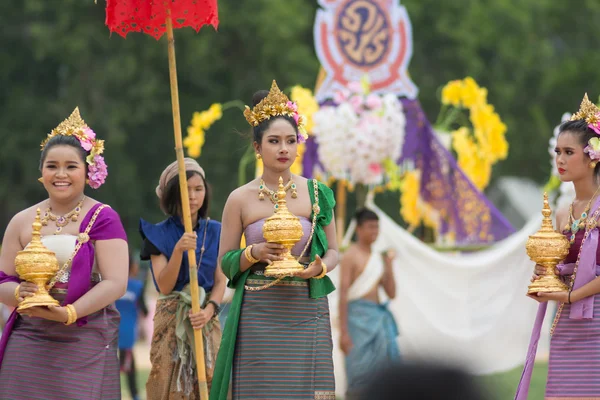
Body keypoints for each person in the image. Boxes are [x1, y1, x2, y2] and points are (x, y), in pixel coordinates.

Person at [210, 80, 339, 400]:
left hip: (306, 311)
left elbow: (335, 251)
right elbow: (225, 262)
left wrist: (320, 267)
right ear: (257, 147)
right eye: (274, 141)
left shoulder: (317, 194)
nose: (284, 148)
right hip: (258, 313)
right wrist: (253, 252)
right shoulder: (240, 199)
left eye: (290, 141)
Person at [0, 108, 129, 399]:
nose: (60, 174)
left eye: (71, 166)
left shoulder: (103, 218)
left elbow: (115, 283)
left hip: (85, 335)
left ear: (88, 171)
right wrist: (21, 292)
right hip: (29, 335)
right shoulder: (22, 221)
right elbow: (2, 279)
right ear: (41, 172)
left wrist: (68, 313)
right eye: (52, 166)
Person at [516, 94, 600, 399]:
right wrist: (546, 272)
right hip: (567, 321)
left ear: (593, 157)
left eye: (568, 152)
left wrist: (569, 294)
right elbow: (566, 268)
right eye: (557, 152)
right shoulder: (564, 211)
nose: (560, 160)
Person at [140, 158, 225, 399]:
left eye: (198, 189)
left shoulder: (216, 231)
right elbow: (164, 285)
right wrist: (178, 250)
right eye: (186, 190)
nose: (193, 196)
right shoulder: (156, 235)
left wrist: (209, 310)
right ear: (171, 194)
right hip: (170, 322)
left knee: (211, 385)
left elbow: (220, 281)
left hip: (206, 321)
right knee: (171, 385)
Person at [339, 207, 400, 399]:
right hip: (356, 322)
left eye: (377, 227)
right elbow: (342, 294)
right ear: (359, 228)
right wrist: (343, 332)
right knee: (358, 371)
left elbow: (391, 293)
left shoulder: (378, 258)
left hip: (378, 319)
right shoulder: (350, 255)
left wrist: (389, 266)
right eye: (370, 227)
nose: (375, 231)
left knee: (385, 374)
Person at [115, 254, 146, 400]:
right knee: (129, 366)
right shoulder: (137, 286)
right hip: (128, 333)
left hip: (111, 332)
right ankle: (134, 395)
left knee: (109, 365)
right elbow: (144, 310)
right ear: (133, 267)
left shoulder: (113, 285)